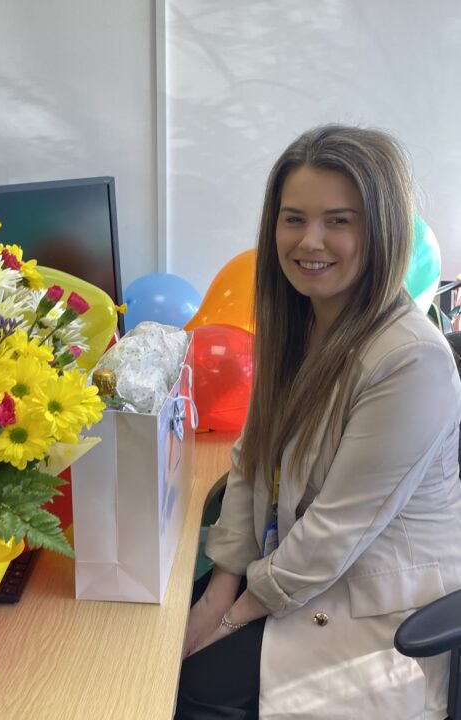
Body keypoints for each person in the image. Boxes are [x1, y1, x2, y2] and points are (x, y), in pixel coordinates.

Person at [175, 125, 461, 720]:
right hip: (300, 571)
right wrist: (219, 589)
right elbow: (252, 464)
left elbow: (333, 534)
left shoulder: (412, 360)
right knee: (161, 634)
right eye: (293, 218)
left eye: (339, 220)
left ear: (379, 228)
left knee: (188, 688)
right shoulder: (299, 320)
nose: (310, 241)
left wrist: (227, 617)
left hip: (372, 610)